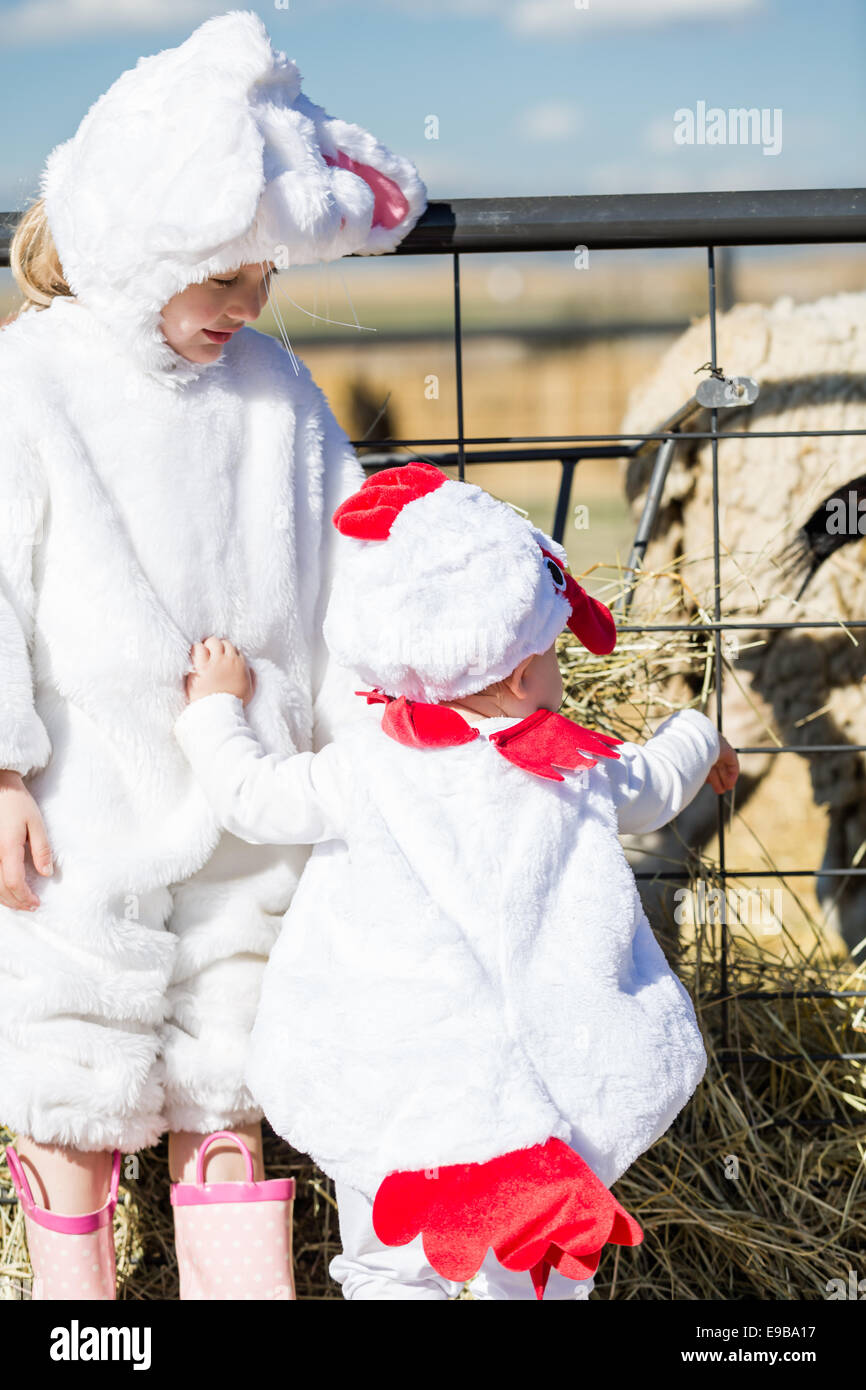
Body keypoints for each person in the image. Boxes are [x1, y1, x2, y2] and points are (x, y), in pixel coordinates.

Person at [0, 11, 426, 1300]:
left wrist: (380, 721)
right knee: (72, 1111)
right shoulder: (33, 384)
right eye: (221, 276)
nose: (248, 307)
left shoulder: (279, 399)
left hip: (250, 811)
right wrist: (4, 769)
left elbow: (347, 563)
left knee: (228, 1102)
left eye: (264, 281)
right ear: (141, 241)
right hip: (79, 818)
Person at [172, 460, 740, 1301]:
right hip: (540, 1076)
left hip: (398, 1075)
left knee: (391, 1257)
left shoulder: (364, 767)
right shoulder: (573, 765)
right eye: (552, 657)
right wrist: (702, 733)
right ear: (519, 675)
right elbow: (657, 785)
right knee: (534, 1245)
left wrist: (215, 708)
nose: (559, 678)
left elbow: (254, 796)